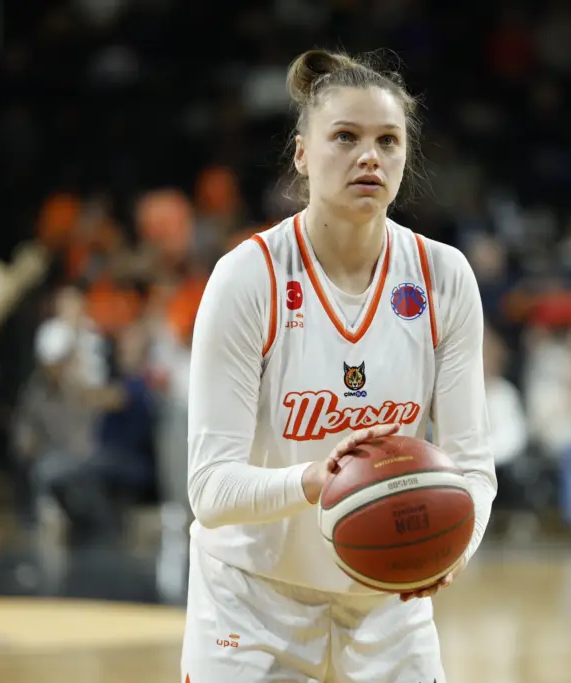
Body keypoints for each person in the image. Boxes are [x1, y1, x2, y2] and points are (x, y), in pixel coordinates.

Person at [181, 49, 497, 683]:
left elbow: (473, 469)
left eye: (388, 140)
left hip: (388, 604)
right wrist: (313, 481)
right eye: (346, 137)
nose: (369, 156)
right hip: (251, 605)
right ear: (302, 153)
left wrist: (453, 547)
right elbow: (209, 490)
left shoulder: (444, 277)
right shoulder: (248, 278)